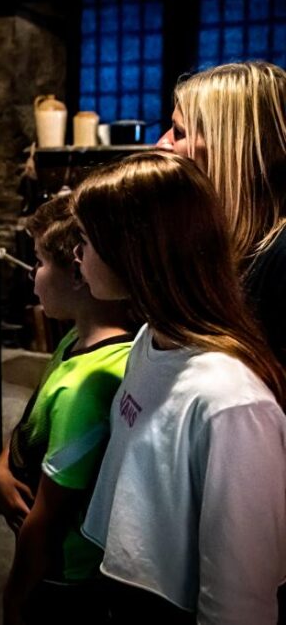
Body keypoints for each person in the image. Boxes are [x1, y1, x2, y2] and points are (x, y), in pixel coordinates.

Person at [73, 151, 286, 624]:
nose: (77, 255)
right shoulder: (151, 339)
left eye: (85, 240)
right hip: (126, 592)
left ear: (133, 253)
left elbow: (241, 599)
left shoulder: (231, 402)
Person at [0, 194, 135, 624]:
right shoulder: (77, 342)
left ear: (77, 271)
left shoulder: (85, 387)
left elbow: (49, 518)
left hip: (61, 574)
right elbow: (33, 422)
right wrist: (1, 469)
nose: (33, 278)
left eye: (39, 262)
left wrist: (15, 596)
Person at [156, 61, 286, 367]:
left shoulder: (280, 259)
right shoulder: (213, 242)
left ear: (232, 147)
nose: (161, 144)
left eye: (179, 132)